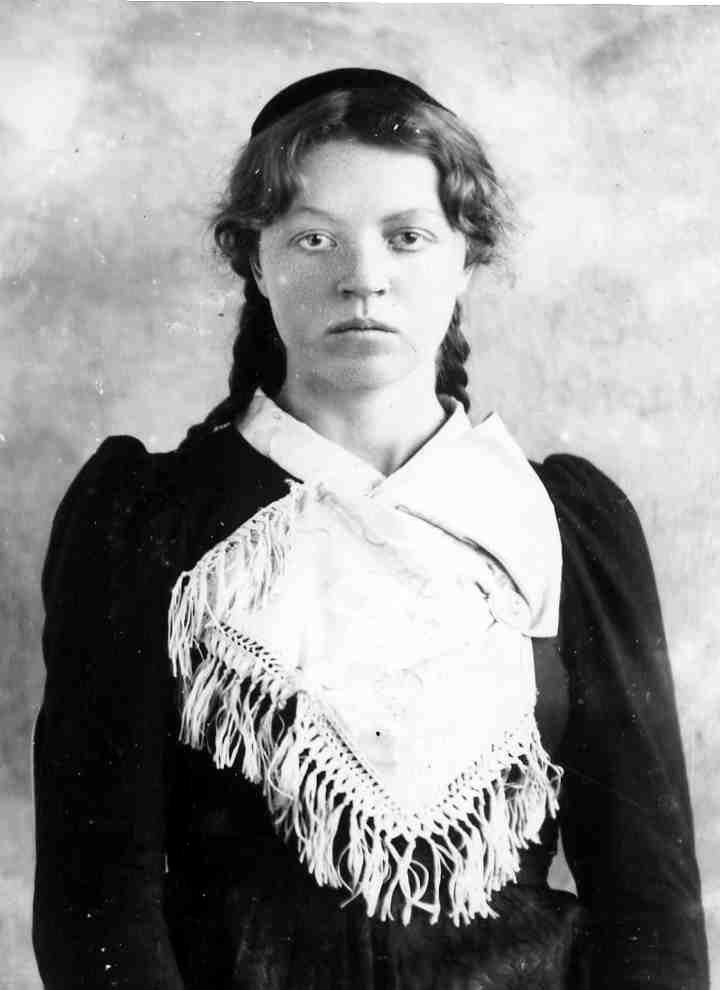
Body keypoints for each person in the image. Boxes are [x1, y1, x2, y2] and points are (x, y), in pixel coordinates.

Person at [32, 68, 709, 990]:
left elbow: (650, 907)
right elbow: (97, 900)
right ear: (255, 261)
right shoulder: (146, 518)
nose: (362, 279)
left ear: (466, 257)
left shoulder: (559, 525)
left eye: (407, 237)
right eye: (313, 238)